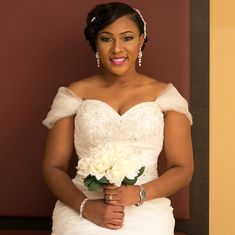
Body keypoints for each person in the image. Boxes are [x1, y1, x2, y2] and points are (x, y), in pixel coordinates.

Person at [42, 2, 194, 235]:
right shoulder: (74, 94)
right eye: (106, 38)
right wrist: (85, 206)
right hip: (82, 202)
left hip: (146, 204)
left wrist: (139, 193)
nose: (117, 49)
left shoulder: (165, 96)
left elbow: (183, 168)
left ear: (141, 40)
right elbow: (53, 167)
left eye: (127, 38)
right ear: (95, 43)